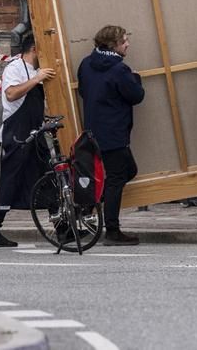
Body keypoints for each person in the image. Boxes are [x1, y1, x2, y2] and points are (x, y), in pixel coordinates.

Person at [0, 34, 56, 247]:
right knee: (10, 182)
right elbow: (12, 94)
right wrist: (36, 79)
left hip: (35, 133)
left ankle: (62, 229)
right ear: (34, 49)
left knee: (49, 177)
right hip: (17, 135)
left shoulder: (36, 71)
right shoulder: (15, 68)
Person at [77, 25, 145, 246]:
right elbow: (136, 96)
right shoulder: (120, 70)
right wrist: (136, 79)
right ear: (114, 45)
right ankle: (112, 231)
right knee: (117, 177)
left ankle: (90, 206)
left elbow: (83, 91)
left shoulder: (86, 64)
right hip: (114, 133)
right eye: (124, 41)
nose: (128, 44)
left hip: (93, 132)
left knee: (126, 171)